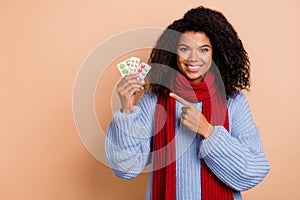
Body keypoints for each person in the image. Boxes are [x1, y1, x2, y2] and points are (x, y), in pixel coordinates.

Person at [105, 6, 270, 200]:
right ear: (173, 53)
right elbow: (126, 169)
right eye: (185, 49)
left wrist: (207, 131)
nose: (193, 58)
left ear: (215, 54)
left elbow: (253, 172)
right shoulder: (154, 99)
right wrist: (126, 111)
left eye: (203, 49)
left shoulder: (233, 101)